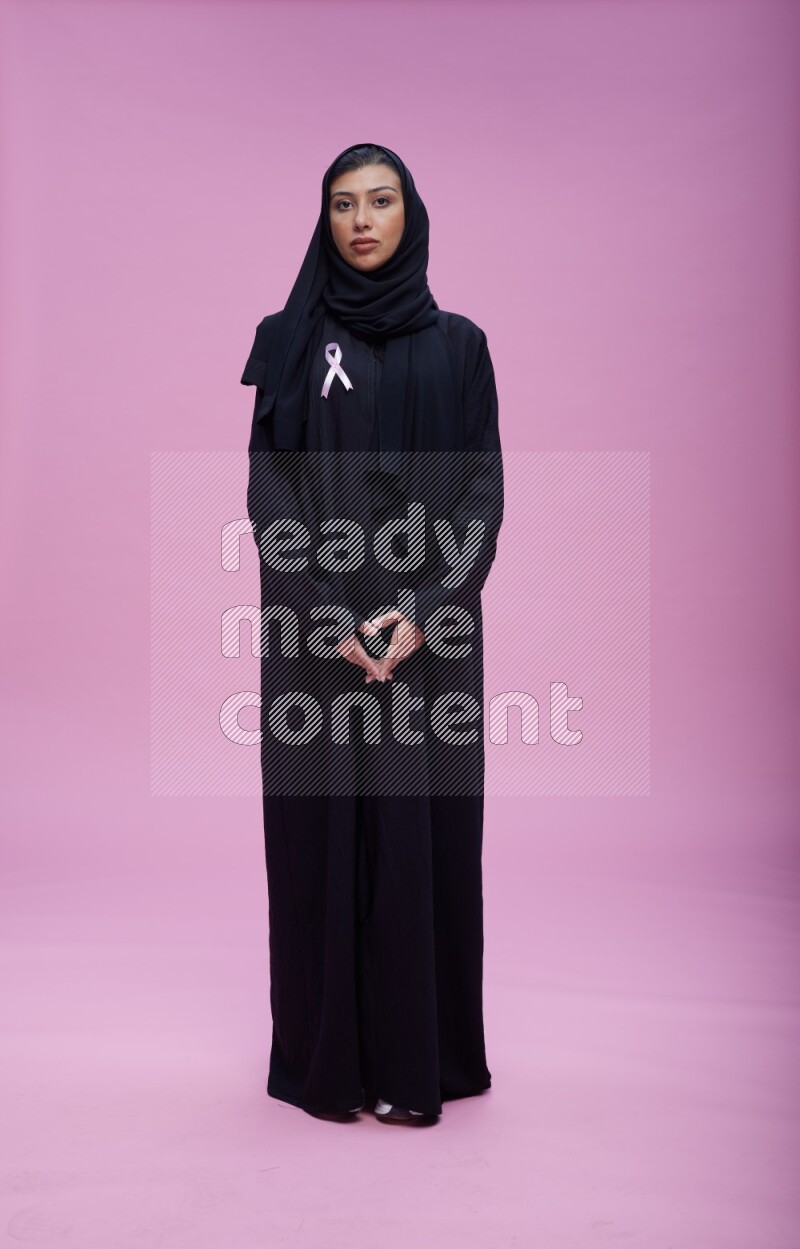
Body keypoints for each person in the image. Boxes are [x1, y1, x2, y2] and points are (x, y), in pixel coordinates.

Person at [241, 142, 504, 1126]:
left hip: (428, 640)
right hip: (317, 633)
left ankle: (421, 1060)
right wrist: (326, 613)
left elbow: (481, 490)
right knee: (319, 840)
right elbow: (269, 498)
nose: (360, 220)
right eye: (342, 203)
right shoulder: (287, 341)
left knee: (421, 840)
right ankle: (328, 1065)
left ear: (410, 214)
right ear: (324, 220)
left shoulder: (463, 346)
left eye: (379, 201)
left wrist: (427, 607)